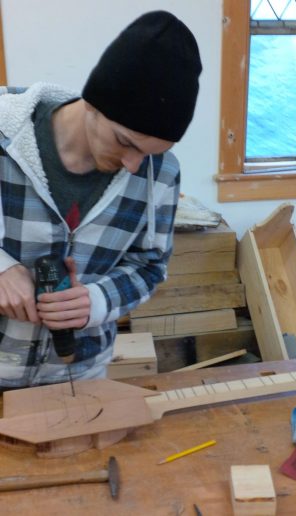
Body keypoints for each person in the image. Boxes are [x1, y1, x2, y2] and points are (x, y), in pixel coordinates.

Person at [0, 10, 202, 388]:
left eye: (150, 153)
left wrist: (96, 301)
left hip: (80, 375)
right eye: (125, 142)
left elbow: (150, 265)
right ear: (93, 103)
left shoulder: (162, 172)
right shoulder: (3, 133)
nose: (132, 165)